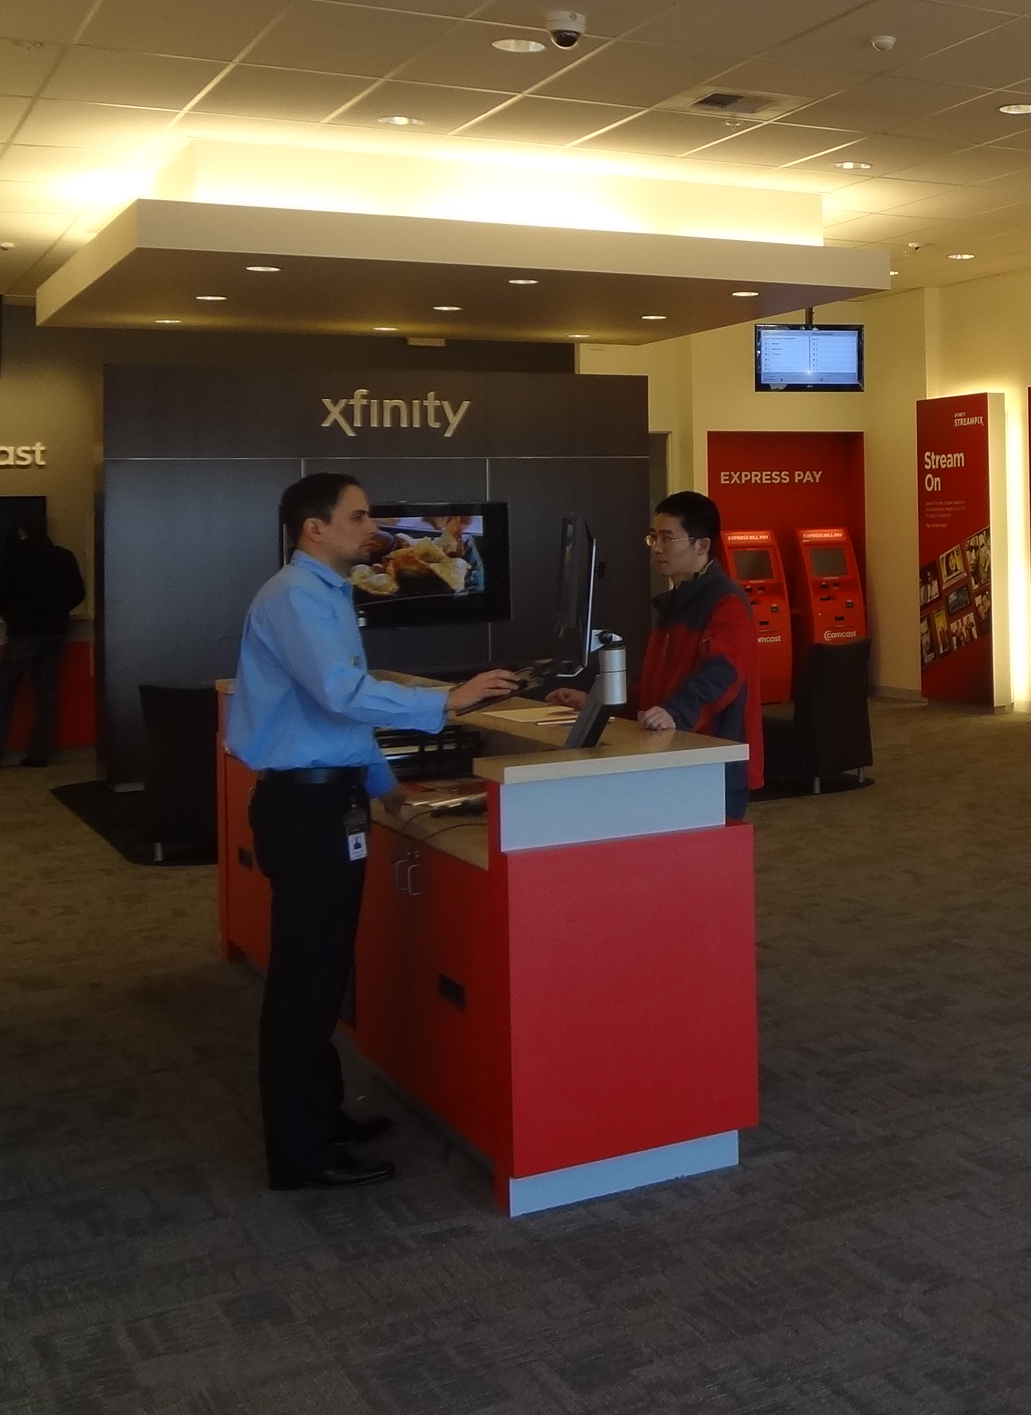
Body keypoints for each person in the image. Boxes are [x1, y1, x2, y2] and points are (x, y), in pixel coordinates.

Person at [229, 473, 517, 1192]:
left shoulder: (324, 594)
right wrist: (445, 700)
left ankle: (322, 1117)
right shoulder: (297, 596)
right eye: (358, 517)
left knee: (322, 975)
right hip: (305, 812)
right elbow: (339, 694)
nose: (374, 528)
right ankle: (302, 1153)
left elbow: (340, 721)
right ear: (313, 529)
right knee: (304, 983)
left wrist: (388, 791)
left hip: (328, 802)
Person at [554, 490, 764, 819]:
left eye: (668, 538)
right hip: (671, 753)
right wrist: (599, 704)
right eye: (654, 537)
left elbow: (721, 675)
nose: (657, 548)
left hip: (711, 760)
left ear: (702, 545)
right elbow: (655, 687)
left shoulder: (727, 603)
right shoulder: (674, 602)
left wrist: (676, 714)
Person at [0, 515, 85, 766]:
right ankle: (40, 754)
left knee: (5, 690)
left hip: (22, 632)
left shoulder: (11, 558)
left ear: (22, 531)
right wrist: (58, 612)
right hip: (55, 632)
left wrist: (12, 615)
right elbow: (78, 593)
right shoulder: (64, 556)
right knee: (47, 693)